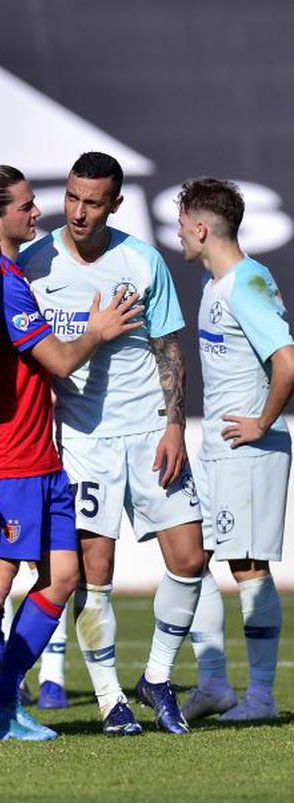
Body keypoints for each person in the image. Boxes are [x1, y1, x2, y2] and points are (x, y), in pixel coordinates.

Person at [19, 151, 205, 735]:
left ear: (116, 204)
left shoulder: (142, 261)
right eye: (72, 197)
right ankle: (109, 701)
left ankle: (156, 677)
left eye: (93, 202)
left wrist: (175, 425)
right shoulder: (34, 264)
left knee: (190, 558)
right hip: (84, 438)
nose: (78, 212)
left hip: (150, 429)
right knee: (93, 571)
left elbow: (169, 347)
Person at [0, 165, 143, 740]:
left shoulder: (11, 271)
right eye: (25, 206)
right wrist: (98, 331)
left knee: (62, 576)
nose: (37, 212)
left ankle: (3, 695)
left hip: (43, 454)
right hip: (6, 458)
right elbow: (61, 361)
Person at [176, 177, 292, 722]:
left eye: (182, 224)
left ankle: (261, 697)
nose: (178, 233)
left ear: (201, 229)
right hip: (219, 450)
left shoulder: (245, 284)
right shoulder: (215, 284)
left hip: (248, 449)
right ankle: (214, 684)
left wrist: (261, 423)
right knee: (193, 557)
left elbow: (287, 362)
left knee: (248, 566)